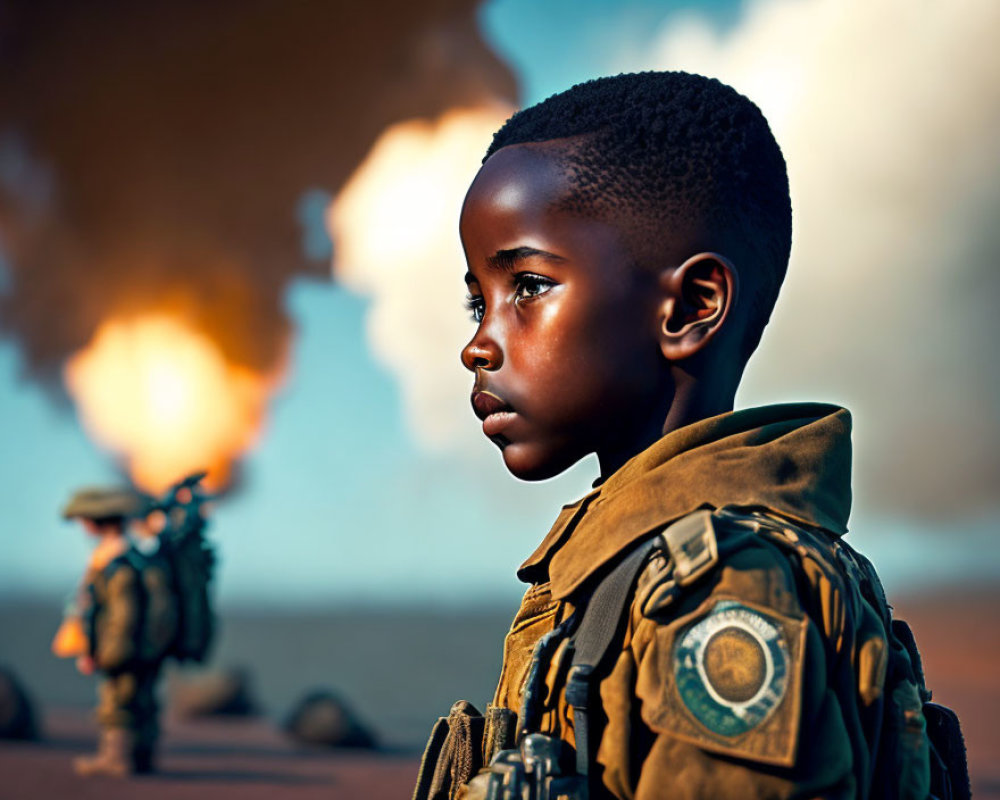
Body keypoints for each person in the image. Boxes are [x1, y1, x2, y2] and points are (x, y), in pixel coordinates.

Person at [413, 72, 964, 800]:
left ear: (691, 307)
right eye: (477, 302)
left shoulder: (721, 593)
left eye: (529, 288)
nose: (478, 345)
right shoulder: (635, 568)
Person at [61, 486, 177, 777]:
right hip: (146, 648)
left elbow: (123, 614)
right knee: (144, 701)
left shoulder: (117, 563)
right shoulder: (139, 558)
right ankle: (142, 757)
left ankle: (116, 759)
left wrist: (108, 653)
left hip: (124, 649)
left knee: (117, 703)